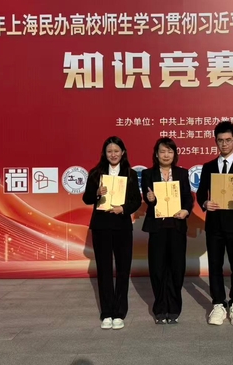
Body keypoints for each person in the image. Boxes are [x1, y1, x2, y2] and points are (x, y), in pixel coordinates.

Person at [196, 121, 233, 326]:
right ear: (215, 141)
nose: (224, 144)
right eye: (220, 140)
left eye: (228, 140)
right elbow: (200, 193)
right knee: (215, 265)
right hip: (214, 224)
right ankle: (218, 304)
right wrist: (205, 203)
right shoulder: (208, 167)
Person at [82, 136, 141, 330]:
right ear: (104, 153)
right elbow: (86, 198)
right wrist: (97, 193)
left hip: (122, 226)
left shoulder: (130, 174)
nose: (113, 154)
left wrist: (123, 209)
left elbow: (136, 201)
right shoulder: (96, 173)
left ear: (123, 152)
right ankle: (106, 312)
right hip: (101, 227)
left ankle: (119, 312)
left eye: (116, 151)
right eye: (109, 151)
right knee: (104, 270)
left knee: (123, 270)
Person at [141, 137, 194, 324]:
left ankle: (174, 309)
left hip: (176, 225)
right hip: (157, 227)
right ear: (156, 154)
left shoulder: (182, 173)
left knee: (177, 268)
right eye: (162, 151)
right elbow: (147, 198)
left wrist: (185, 210)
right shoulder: (148, 174)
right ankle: (160, 309)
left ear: (175, 154)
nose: (166, 155)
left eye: (170, 151)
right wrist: (150, 198)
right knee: (157, 268)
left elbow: (188, 197)